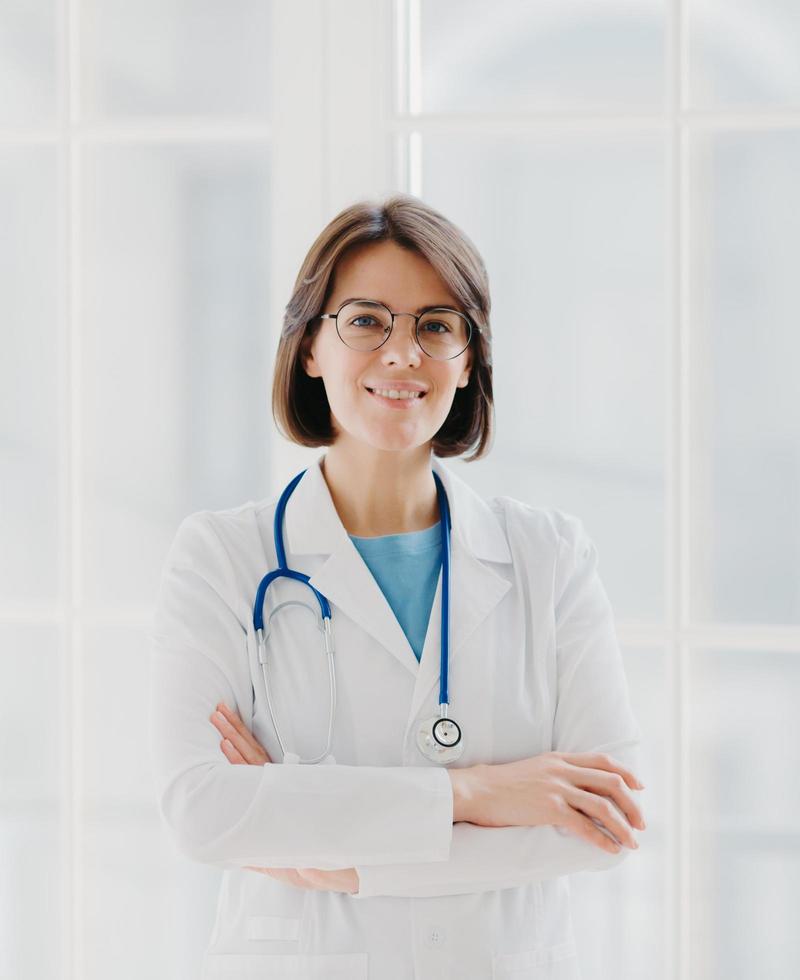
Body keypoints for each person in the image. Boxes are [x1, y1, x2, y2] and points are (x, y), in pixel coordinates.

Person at [147, 195, 646, 979]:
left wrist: (351, 864)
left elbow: (607, 823)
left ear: (469, 357)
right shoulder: (223, 557)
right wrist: (479, 792)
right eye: (366, 320)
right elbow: (205, 812)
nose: (402, 353)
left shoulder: (548, 556)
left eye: (436, 325)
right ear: (310, 346)